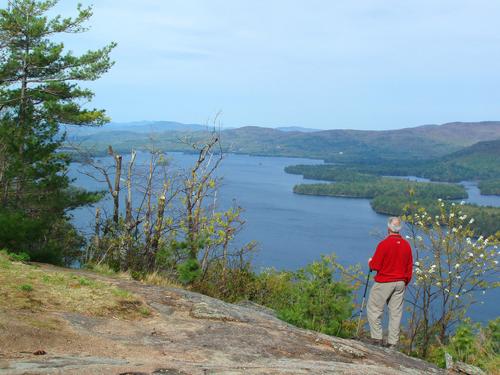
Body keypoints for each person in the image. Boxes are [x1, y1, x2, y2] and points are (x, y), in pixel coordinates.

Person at [366, 216, 413, 349]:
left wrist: (370, 262)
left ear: (388, 228)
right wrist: (404, 282)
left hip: (385, 281)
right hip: (400, 283)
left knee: (374, 309)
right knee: (396, 313)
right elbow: (409, 267)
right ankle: (392, 342)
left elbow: (375, 265)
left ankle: (377, 339)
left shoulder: (384, 244)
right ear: (400, 229)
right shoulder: (406, 245)